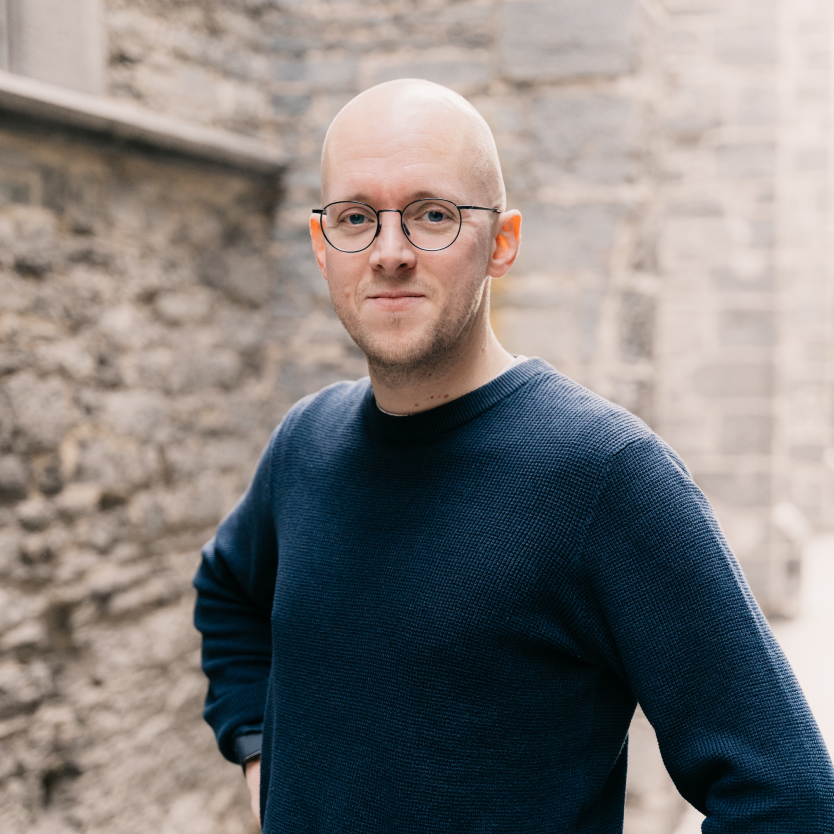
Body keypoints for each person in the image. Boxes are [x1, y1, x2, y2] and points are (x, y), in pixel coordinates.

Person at [193, 79, 834, 832]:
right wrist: (259, 749)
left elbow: (789, 799)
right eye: (356, 218)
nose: (390, 253)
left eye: (433, 215)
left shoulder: (606, 475)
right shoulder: (306, 443)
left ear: (501, 243)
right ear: (320, 244)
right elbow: (226, 592)